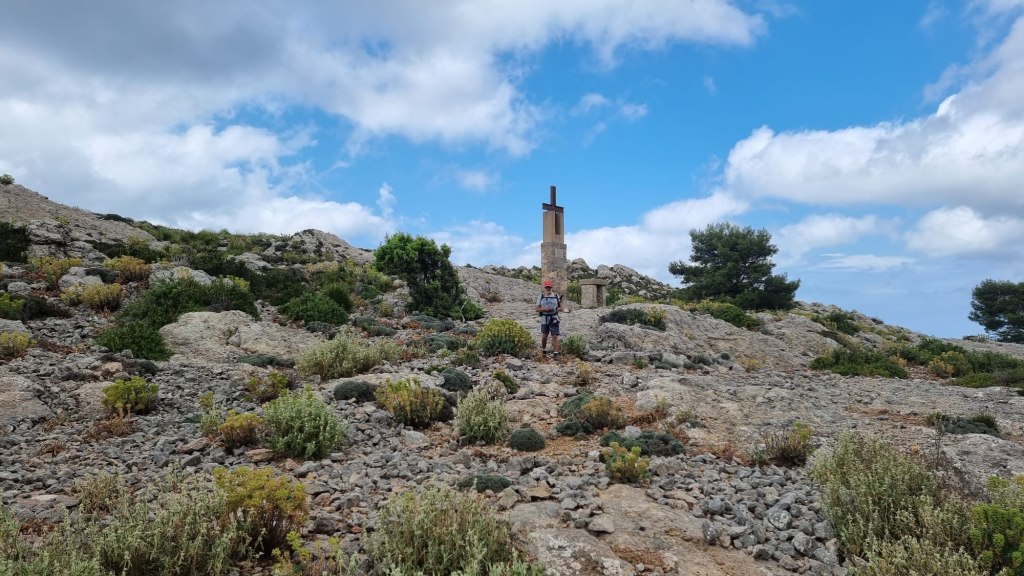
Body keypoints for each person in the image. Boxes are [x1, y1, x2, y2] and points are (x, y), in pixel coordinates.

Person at [535, 279, 563, 358]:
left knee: (555, 336)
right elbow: (537, 309)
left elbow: (561, 307)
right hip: (544, 318)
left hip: (554, 318)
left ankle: (555, 353)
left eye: (549, 287)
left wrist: (558, 309)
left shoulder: (556, 296)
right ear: (545, 287)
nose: (548, 289)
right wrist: (545, 309)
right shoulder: (541, 296)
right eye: (547, 287)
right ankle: (544, 350)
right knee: (544, 336)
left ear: (551, 287)